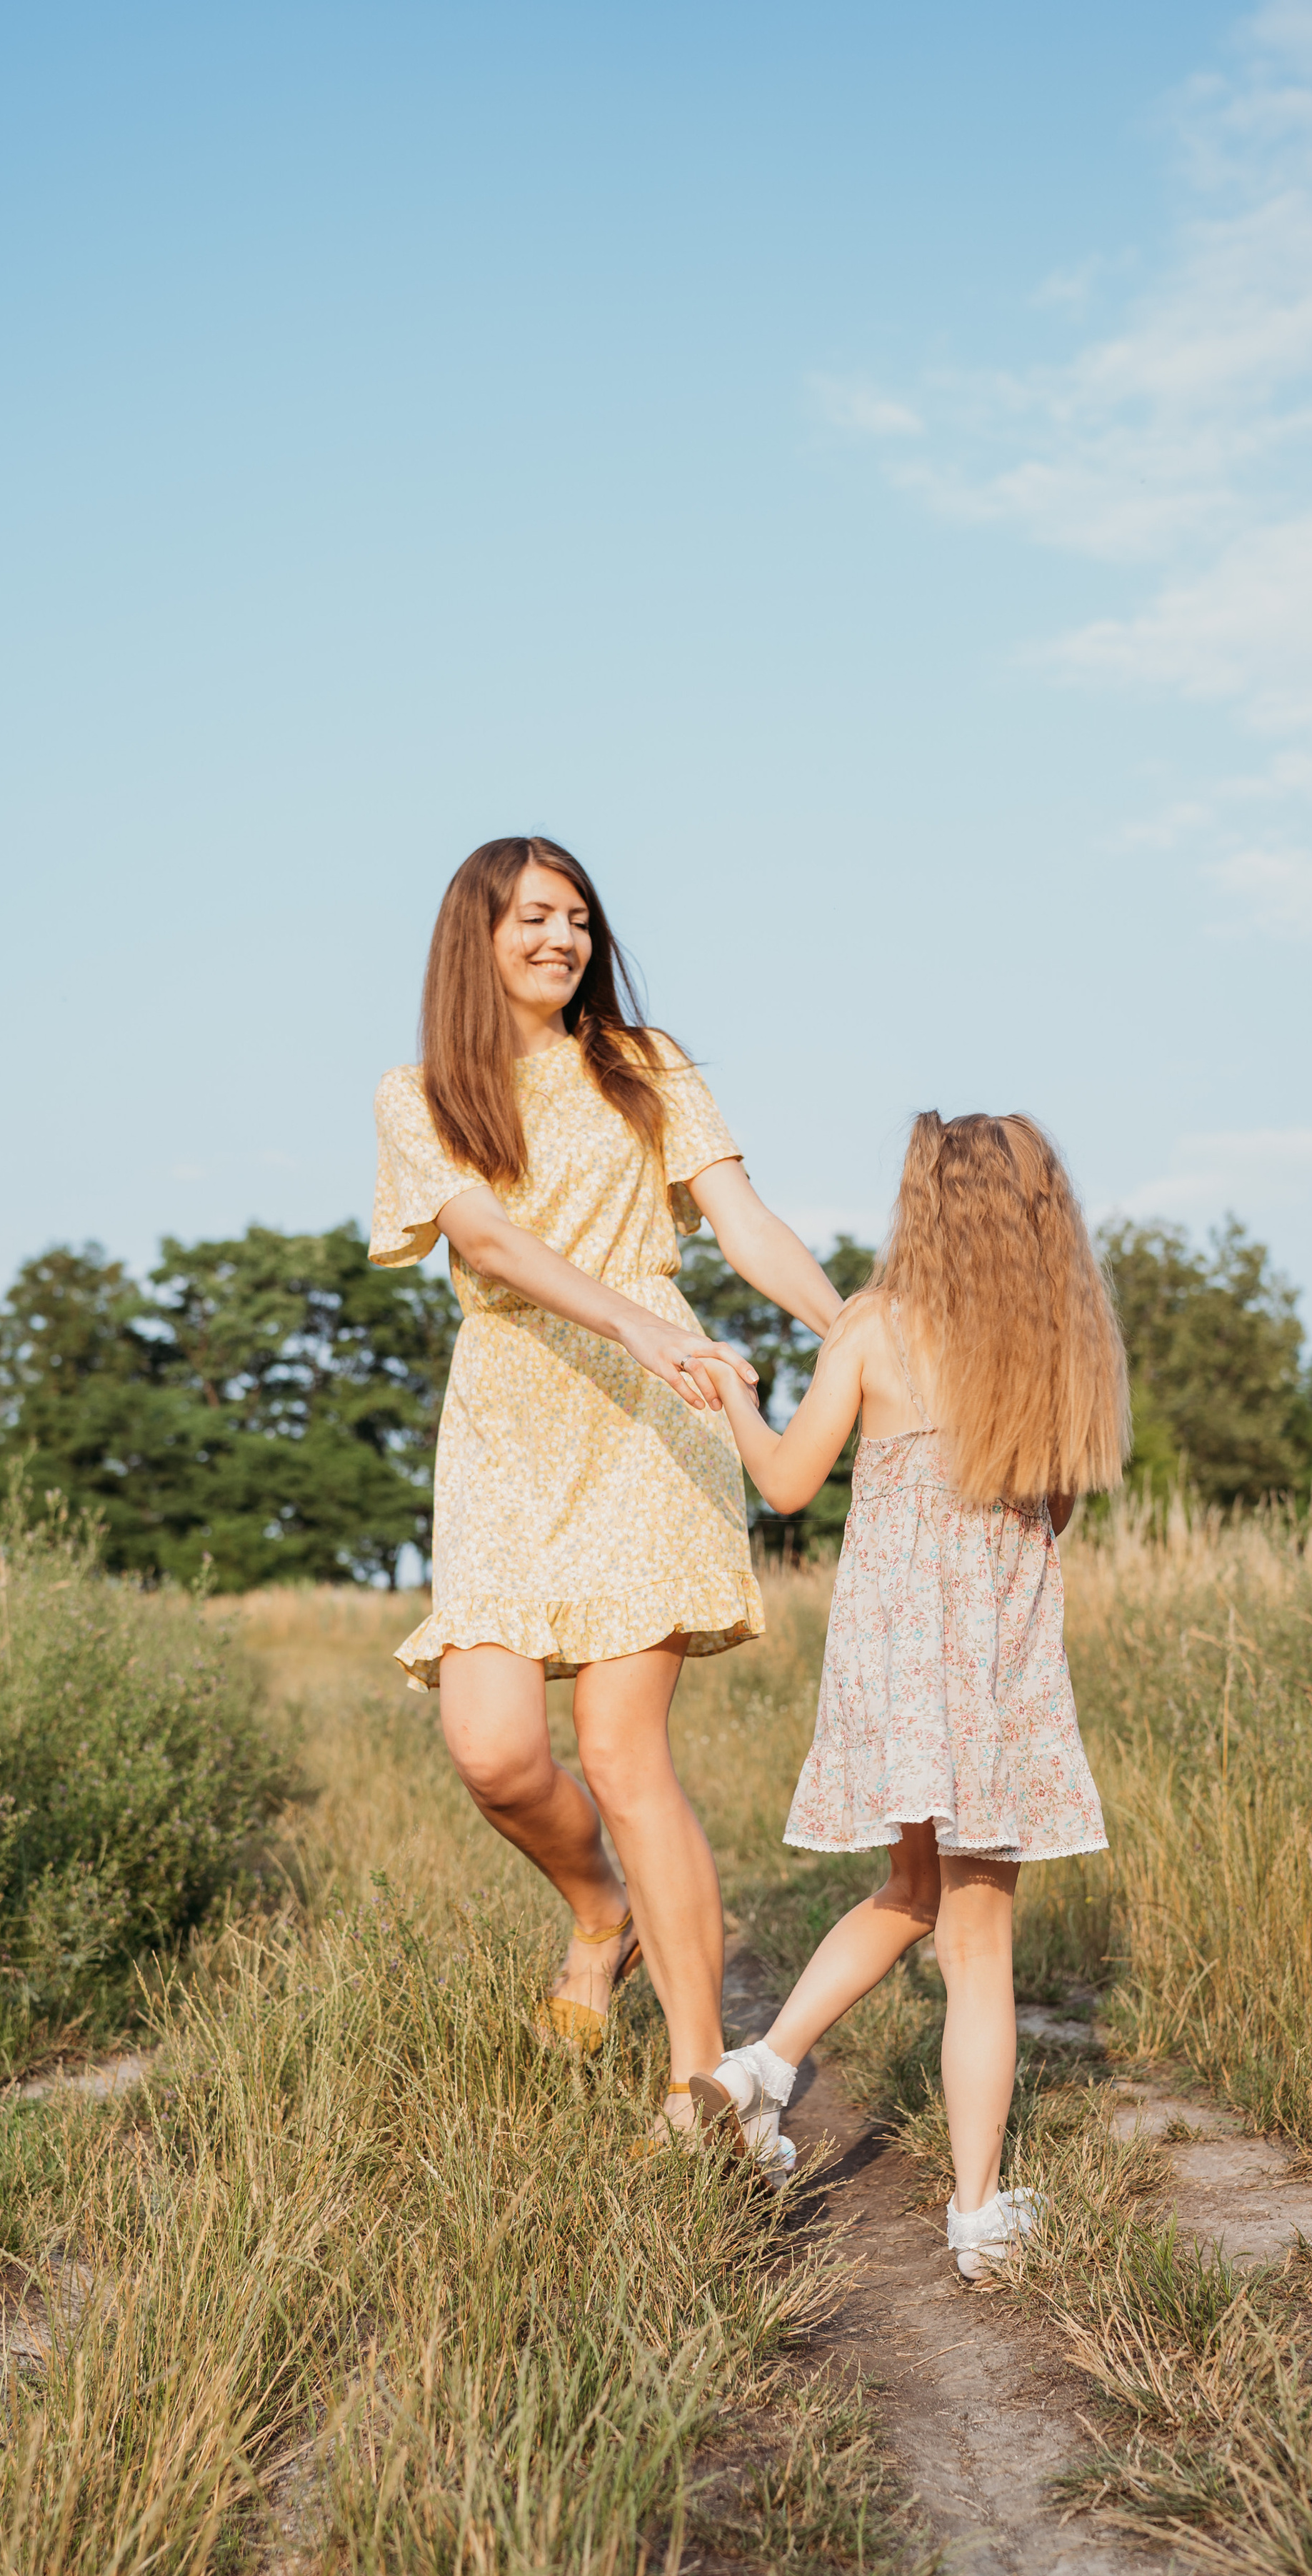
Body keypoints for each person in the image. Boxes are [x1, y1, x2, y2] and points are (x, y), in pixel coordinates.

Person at [369, 836, 841, 2138]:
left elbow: (739, 1223)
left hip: (653, 1416)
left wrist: (852, 1327)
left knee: (625, 1752)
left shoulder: (647, 1066)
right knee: (495, 1749)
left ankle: (703, 2084)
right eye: (532, 917)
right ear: (478, 935)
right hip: (512, 1425)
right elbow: (489, 1241)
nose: (561, 939)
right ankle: (599, 1911)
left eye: (577, 918)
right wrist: (633, 1323)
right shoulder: (419, 1094)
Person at [691, 1110, 1128, 2277]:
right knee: (979, 1939)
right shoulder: (1058, 1348)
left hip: (890, 1668)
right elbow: (1055, 1518)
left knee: (908, 1886)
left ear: (923, 1205)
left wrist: (730, 1390)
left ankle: (758, 2073)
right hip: (993, 1676)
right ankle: (980, 2218)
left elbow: (786, 1483)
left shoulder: (873, 1329)